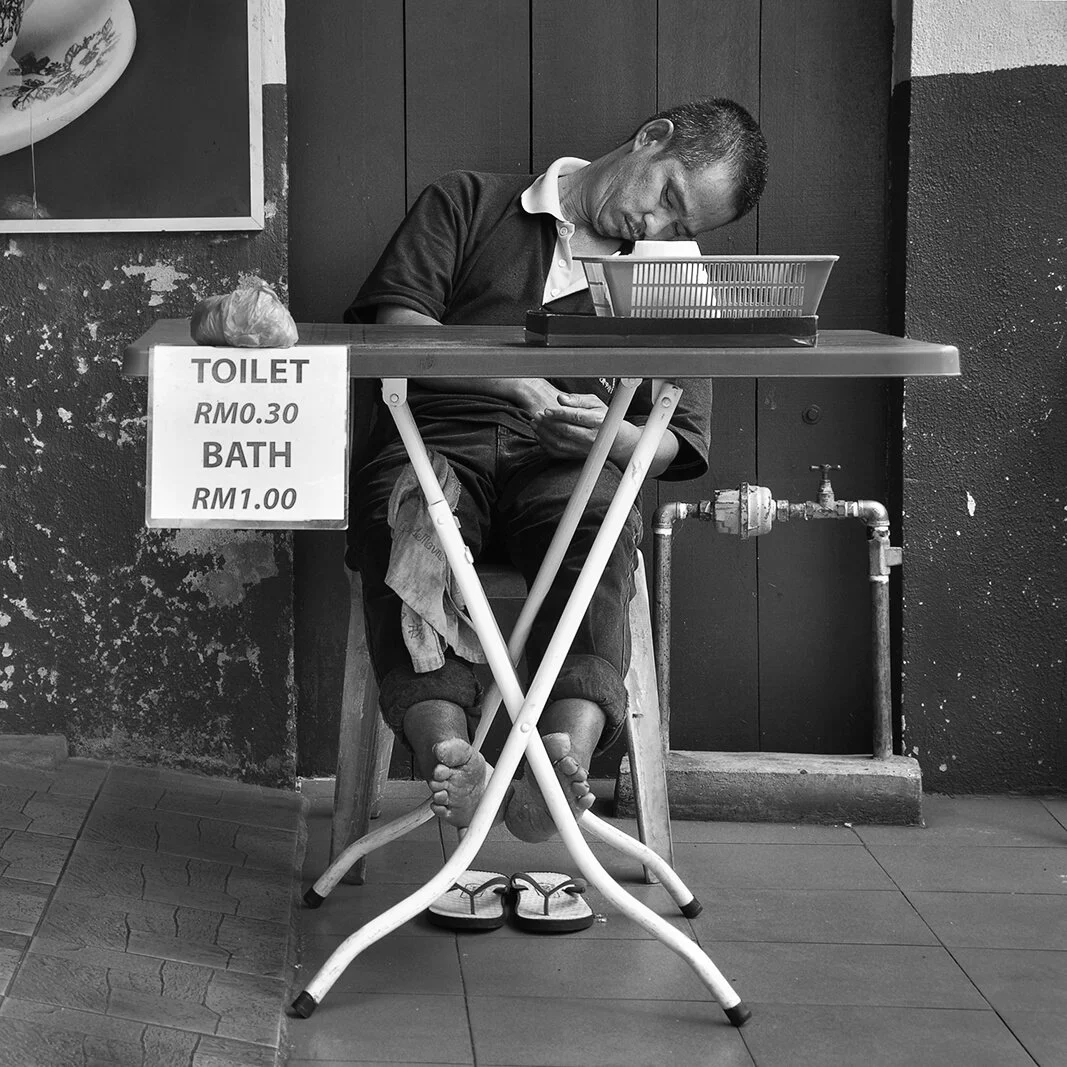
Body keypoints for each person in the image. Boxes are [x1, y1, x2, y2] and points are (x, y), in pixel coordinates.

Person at [345, 98, 767, 843]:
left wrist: (614, 438)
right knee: (412, 514)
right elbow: (399, 331)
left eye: (683, 227)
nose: (659, 229)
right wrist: (510, 381)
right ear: (649, 137)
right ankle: (450, 751)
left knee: (601, 527)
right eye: (667, 198)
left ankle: (558, 757)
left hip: (569, 465)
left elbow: (678, 439)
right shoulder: (466, 201)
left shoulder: (674, 276)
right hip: (438, 433)